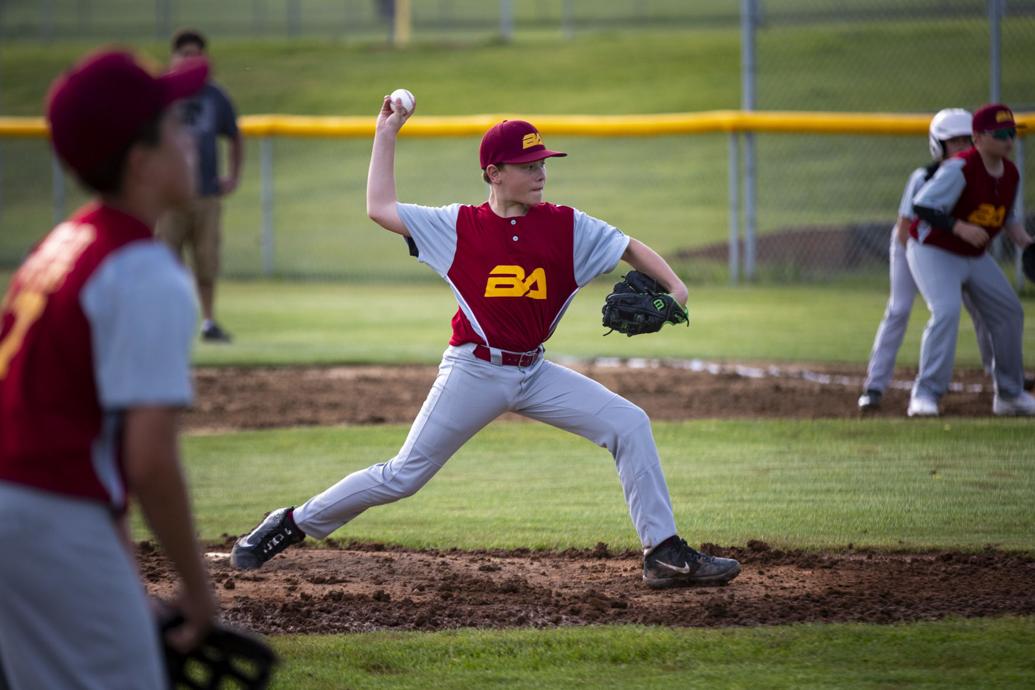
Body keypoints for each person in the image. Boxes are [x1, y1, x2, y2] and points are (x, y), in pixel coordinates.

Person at [229, 95, 742, 589]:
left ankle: (663, 554)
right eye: (528, 165)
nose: (541, 172)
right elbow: (379, 207)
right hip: (473, 371)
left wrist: (677, 287)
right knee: (402, 477)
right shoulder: (457, 227)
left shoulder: (566, 227)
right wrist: (386, 132)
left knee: (629, 424)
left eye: (543, 163)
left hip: (534, 373)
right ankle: (291, 523)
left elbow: (629, 247)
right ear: (494, 174)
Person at [0, 51, 217, 688]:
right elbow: (146, 461)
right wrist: (198, 592)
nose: (191, 138)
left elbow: (95, 445)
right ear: (140, 160)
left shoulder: (64, 244)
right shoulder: (143, 271)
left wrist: (122, 577)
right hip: (47, 512)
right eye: (176, 125)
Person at [857, 108, 994, 412]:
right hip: (911, 248)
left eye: (965, 141)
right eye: (953, 141)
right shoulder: (924, 177)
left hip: (952, 249)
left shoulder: (978, 178)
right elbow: (906, 230)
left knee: (982, 304)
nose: (961, 148)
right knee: (899, 309)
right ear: (938, 145)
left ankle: (999, 374)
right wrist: (928, 273)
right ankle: (874, 386)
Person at [906, 103, 1035, 417]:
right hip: (933, 249)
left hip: (973, 255)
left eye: (1012, 133)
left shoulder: (1011, 173)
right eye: (1001, 134)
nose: (1008, 140)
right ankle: (925, 395)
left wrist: (1025, 241)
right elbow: (922, 206)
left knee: (1009, 312)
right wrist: (959, 227)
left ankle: (1009, 394)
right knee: (946, 310)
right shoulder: (959, 168)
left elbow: (1008, 218)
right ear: (978, 138)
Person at [156, 28, 243, 343]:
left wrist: (232, 176)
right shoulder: (161, 94)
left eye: (197, 54)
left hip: (206, 195)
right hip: (167, 200)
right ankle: (166, 325)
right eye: (185, 53)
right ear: (173, 57)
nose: (191, 60)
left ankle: (208, 323)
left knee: (206, 264)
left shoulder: (214, 95)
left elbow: (234, 135)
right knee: (165, 264)